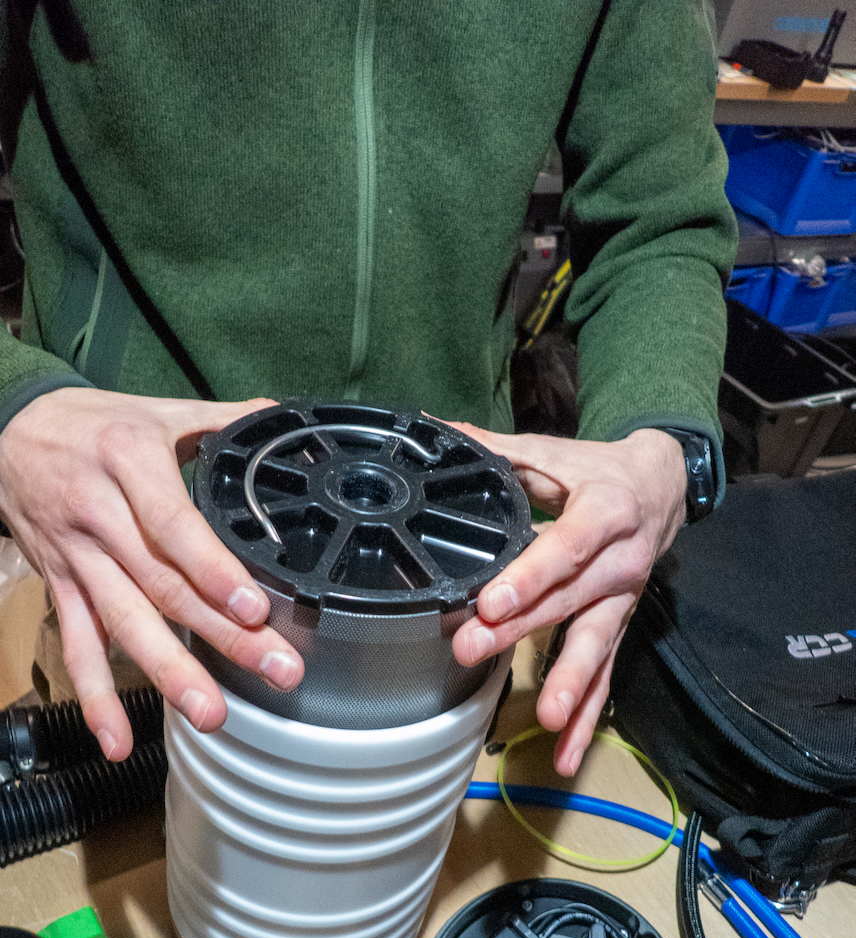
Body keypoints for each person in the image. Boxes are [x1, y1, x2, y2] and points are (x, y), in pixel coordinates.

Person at [0, 1, 736, 775]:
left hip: (460, 589)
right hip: (134, 549)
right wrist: (14, 404)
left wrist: (662, 440)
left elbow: (661, 222)